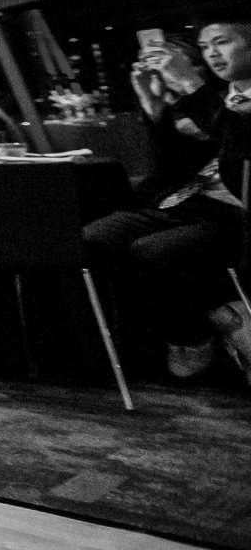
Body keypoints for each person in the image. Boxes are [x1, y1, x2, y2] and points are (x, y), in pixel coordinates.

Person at [92, 21, 251, 377]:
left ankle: (194, 335)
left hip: (235, 213)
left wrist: (191, 86)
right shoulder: (218, 99)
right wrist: (153, 109)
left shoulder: (210, 101)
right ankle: (126, 356)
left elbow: (242, 147)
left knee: (151, 251)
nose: (211, 52)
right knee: (93, 240)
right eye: (205, 46)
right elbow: (174, 166)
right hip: (185, 201)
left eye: (221, 42)